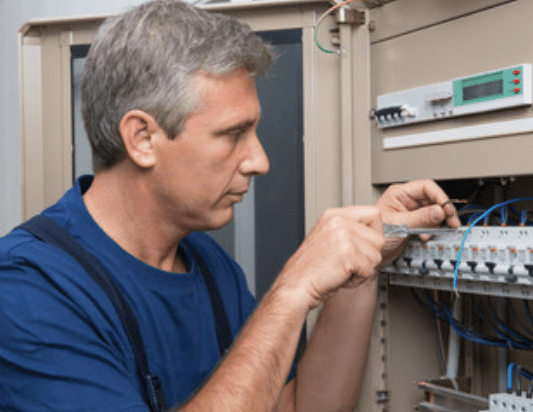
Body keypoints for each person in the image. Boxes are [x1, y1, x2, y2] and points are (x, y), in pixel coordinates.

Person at [0, 1, 460, 411]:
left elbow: (296, 406)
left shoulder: (209, 265)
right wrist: (291, 291)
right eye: (233, 134)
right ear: (142, 138)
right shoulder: (28, 290)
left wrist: (365, 260)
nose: (259, 161)